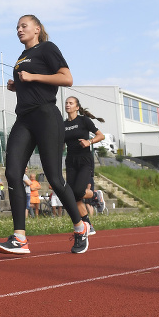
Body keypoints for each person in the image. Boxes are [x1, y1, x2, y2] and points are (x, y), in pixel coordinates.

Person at [0, 15, 90, 255]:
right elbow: (31, 82)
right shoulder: (20, 59)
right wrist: (18, 85)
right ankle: (20, 238)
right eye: (16, 27)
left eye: (23, 26)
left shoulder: (47, 48)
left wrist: (33, 77)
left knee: (55, 178)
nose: (19, 30)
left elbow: (66, 78)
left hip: (46, 116)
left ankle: (80, 227)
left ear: (37, 29)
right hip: (24, 119)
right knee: (13, 173)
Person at [63, 96, 105, 235]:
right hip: (70, 161)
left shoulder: (83, 120)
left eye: (71, 103)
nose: (68, 105)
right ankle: (88, 224)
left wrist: (89, 141)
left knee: (78, 192)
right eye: (66, 103)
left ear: (77, 107)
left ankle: (94, 196)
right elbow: (62, 144)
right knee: (73, 196)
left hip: (84, 160)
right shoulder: (63, 125)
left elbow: (101, 135)